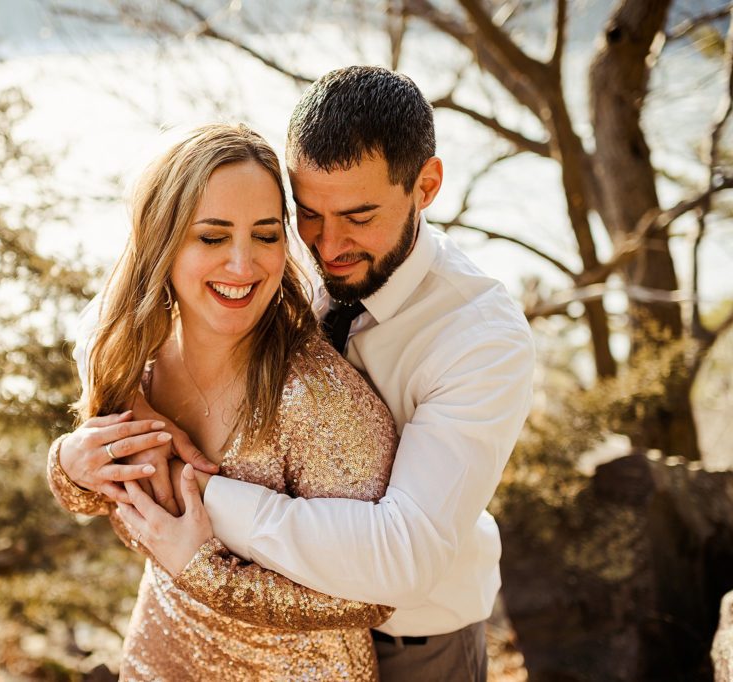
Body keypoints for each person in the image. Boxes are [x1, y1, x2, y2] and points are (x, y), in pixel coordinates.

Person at [64, 67, 536, 681]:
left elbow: (404, 554)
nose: (328, 245)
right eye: (307, 213)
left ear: (426, 185)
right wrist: (132, 403)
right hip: (241, 627)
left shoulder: (480, 334)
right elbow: (114, 311)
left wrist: (197, 489)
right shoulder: (272, 254)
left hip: (415, 638)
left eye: (360, 216)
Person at [47, 123, 400, 680]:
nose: (243, 265)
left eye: (265, 234)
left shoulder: (318, 401)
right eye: (212, 237)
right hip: (160, 653)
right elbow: (101, 498)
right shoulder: (131, 357)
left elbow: (377, 594)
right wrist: (68, 464)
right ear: (161, 241)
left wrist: (206, 571)